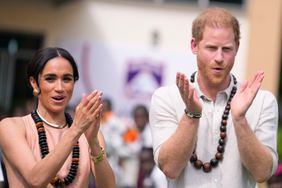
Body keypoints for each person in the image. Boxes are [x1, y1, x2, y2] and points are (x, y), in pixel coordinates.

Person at [149, 7, 278, 188]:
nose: (219, 57)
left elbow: (263, 172)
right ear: (194, 46)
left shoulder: (262, 101)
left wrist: (240, 119)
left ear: (237, 48)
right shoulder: (166, 98)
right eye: (211, 48)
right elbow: (170, 168)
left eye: (227, 49)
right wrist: (191, 115)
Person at [0, 47, 116, 187]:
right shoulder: (12, 127)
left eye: (67, 79)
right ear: (34, 82)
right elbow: (35, 179)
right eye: (50, 79)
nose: (60, 87)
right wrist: (76, 129)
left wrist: (93, 143)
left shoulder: (89, 134)